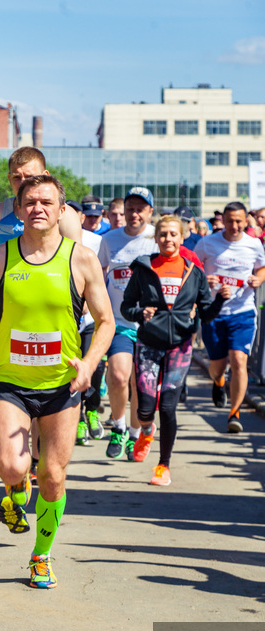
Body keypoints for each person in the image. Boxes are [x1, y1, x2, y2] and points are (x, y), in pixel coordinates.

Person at [0, 174, 114, 589]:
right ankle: (14, 488)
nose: (38, 208)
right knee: (11, 465)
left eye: (47, 202)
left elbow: (105, 321)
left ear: (62, 211)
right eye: (30, 202)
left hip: (63, 384)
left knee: (54, 475)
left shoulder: (81, 260)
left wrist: (90, 362)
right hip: (10, 381)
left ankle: (41, 555)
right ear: (19, 209)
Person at [121, 215, 229, 485]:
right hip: (148, 343)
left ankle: (163, 466)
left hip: (180, 345)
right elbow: (126, 306)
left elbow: (205, 314)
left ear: (182, 238)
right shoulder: (144, 268)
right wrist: (139, 313)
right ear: (156, 238)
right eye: (163, 234)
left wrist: (219, 301)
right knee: (145, 407)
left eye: (173, 234)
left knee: (168, 406)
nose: (168, 239)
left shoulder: (194, 272)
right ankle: (146, 428)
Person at [97, 187, 159, 459]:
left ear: (149, 212)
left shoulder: (157, 240)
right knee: (120, 376)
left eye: (140, 209)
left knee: (139, 384)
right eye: (130, 208)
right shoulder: (110, 239)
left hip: (149, 326)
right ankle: (119, 426)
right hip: (119, 321)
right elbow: (98, 273)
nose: (134, 214)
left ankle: (136, 432)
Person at [194, 201, 265, 433]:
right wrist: (205, 279)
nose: (234, 226)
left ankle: (234, 413)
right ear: (222, 220)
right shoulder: (207, 243)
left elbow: (262, 268)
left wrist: (259, 279)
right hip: (214, 314)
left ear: (246, 221)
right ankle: (218, 380)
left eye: (239, 221)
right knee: (217, 366)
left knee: (239, 360)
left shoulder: (253, 244)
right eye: (230, 221)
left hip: (243, 312)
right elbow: (193, 269)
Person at [0, 146, 83, 263]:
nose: (23, 183)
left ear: (45, 176)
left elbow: (77, 263)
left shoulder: (65, 215)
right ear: (9, 178)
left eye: (30, 177)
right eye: (17, 177)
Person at [76, 226, 106, 445]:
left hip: (88, 322)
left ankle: (92, 410)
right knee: (70, 372)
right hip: (61, 327)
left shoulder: (95, 242)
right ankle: (77, 420)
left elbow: (102, 279)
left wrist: (87, 300)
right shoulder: (47, 246)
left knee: (93, 369)